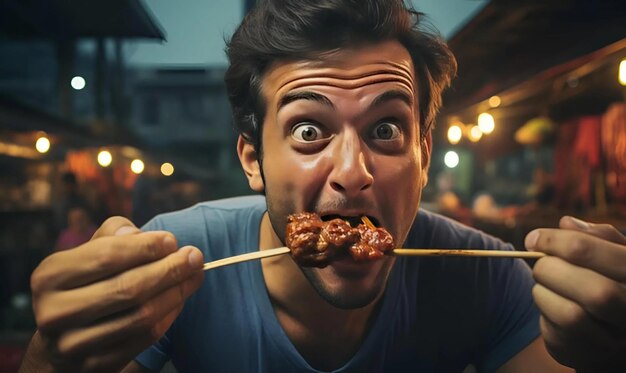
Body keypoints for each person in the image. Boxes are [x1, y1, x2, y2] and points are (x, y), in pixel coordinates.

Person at [19, 1, 626, 372]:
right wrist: (53, 359)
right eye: (308, 129)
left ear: (424, 154)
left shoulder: (491, 276)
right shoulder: (176, 266)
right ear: (253, 161)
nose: (353, 171)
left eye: (386, 128)